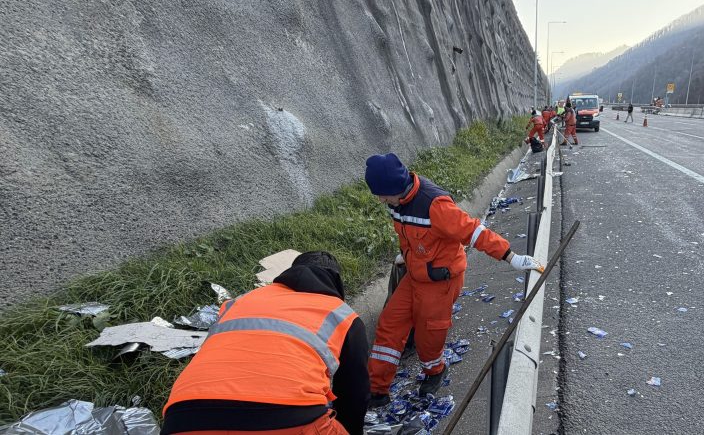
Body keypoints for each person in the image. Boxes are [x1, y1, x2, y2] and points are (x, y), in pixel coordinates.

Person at [364, 153, 543, 407]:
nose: (381, 200)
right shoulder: (397, 201)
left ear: (395, 187)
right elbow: (408, 233)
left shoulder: (434, 205)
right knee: (389, 325)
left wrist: (510, 256)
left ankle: (435, 371)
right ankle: (377, 390)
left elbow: (474, 231)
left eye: (382, 194)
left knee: (429, 336)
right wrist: (406, 255)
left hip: (440, 282)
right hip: (416, 274)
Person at [161, 251, 370, 435]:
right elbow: (354, 393)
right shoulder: (341, 314)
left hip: (184, 417)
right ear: (336, 283)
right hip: (288, 419)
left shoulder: (239, 301)